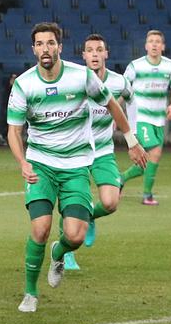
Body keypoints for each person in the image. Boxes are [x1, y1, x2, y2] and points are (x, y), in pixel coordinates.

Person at [7, 22, 146, 313]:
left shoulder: (81, 77)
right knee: (41, 228)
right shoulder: (24, 84)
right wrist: (22, 162)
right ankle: (30, 293)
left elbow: (112, 105)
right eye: (40, 44)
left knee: (75, 235)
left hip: (76, 165)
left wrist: (132, 141)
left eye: (50, 43)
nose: (46, 49)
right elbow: (14, 130)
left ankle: (59, 252)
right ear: (33, 49)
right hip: (41, 165)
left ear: (60, 47)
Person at [51, 34, 133, 276]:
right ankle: (67, 254)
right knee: (72, 206)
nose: (95, 54)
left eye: (99, 49)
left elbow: (131, 100)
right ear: (83, 56)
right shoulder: (74, 81)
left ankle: (91, 217)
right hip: (76, 152)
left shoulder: (119, 82)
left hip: (103, 150)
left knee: (110, 203)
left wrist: (133, 134)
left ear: (106, 54)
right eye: (90, 50)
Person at [119, 30, 171, 206]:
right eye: (151, 41)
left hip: (159, 119)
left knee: (149, 158)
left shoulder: (170, 66)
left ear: (163, 46)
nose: (154, 44)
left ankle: (121, 178)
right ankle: (147, 195)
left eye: (157, 41)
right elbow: (123, 88)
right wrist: (115, 109)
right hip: (141, 117)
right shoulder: (136, 66)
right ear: (146, 46)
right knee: (155, 153)